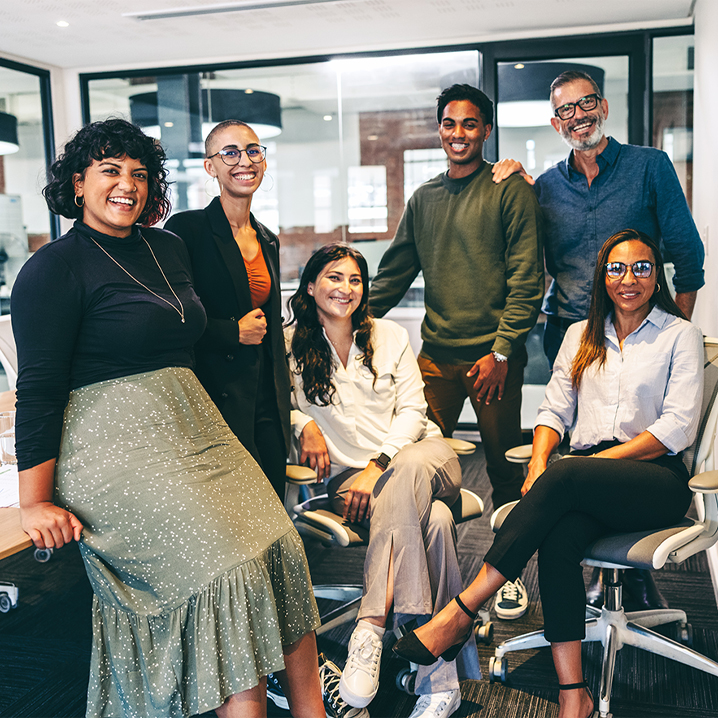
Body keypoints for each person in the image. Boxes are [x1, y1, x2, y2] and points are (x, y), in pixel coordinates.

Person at [12, 118, 324, 718]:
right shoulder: (54, 267)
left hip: (194, 428)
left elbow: (189, 330)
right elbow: (40, 389)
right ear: (78, 184)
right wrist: (35, 501)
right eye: (109, 171)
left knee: (283, 546)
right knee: (226, 569)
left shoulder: (168, 248)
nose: (126, 185)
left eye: (138, 173)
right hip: (111, 445)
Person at [393, 229, 703, 718]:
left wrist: (579, 468)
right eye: (617, 268)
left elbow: (676, 428)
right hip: (585, 477)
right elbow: (554, 410)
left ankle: (460, 611)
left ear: (657, 275)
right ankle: (572, 694)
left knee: (566, 477)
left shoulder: (678, 334)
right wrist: (539, 463)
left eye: (641, 267)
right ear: (602, 275)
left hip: (655, 477)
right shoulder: (582, 335)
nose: (628, 279)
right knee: (558, 539)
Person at [491, 69, 705, 610]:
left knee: (624, 442)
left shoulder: (648, 167)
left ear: (603, 107)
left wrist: (669, 329)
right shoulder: (544, 187)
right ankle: (595, 565)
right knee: (580, 440)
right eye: (566, 109)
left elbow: (687, 253)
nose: (578, 115)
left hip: (644, 324)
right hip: (572, 329)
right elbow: (526, 260)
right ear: (555, 121)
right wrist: (513, 177)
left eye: (586, 103)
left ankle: (624, 575)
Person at [369, 83, 545, 621]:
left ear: (486, 130)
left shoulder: (509, 190)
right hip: (436, 357)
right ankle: (421, 571)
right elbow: (394, 274)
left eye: (470, 124)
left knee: (503, 468)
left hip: (492, 358)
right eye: (450, 123)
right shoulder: (424, 199)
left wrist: (501, 349)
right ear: (439, 129)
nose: (458, 134)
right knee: (414, 462)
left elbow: (526, 278)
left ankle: (509, 576)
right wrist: (344, 317)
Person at [287, 244, 481, 718]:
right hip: (349, 482)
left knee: (411, 474)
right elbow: (271, 410)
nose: (345, 289)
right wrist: (302, 424)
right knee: (433, 521)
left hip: (422, 457)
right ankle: (439, 679)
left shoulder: (389, 335)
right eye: (334, 278)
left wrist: (379, 464)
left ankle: (371, 625)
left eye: (355, 280)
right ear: (311, 286)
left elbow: (415, 411)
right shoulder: (290, 347)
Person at [165, 120, 289, 499]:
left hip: (266, 395)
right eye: (229, 153)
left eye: (253, 151)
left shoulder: (268, 238)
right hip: (214, 395)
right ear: (210, 166)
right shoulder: (188, 229)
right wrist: (232, 332)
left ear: (263, 162)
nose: (244, 161)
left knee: (272, 507)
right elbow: (171, 318)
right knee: (234, 515)